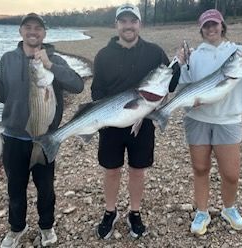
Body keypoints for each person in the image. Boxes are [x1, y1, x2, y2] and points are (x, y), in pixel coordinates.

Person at [0, 13, 84, 247]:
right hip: (12, 136)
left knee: (45, 187)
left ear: (44, 34)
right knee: (15, 187)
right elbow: (3, 95)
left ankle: (46, 226)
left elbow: (77, 85)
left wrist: (50, 65)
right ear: (21, 31)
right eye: (28, 27)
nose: (33, 32)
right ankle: (16, 228)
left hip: (44, 137)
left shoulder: (55, 59)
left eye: (38, 28)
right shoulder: (7, 59)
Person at [176, 9, 242, 235]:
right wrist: (180, 65)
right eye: (206, 26)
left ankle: (228, 208)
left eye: (215, 24)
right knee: (200, 168)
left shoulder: (240, 53)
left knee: (231, 173)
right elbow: (181, 84)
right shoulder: (194, 55)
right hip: (197, 120)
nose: (211, 29)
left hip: (229, 121)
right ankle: (202, 211)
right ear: (201, 30)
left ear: (222, 26)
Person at [91, 3, 179, 239]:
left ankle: (135, 212)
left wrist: (180, 63)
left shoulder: (154, 52)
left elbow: (169, 81)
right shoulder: (103, 55)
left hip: (144, 120)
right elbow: (96, 91)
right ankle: (110, 212)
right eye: (124, 21)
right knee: (111, 170)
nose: (128, 26)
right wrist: (106, 114)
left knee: (137, 170)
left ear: (140, 24)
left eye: (133, 21)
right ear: (116, 25)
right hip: (111, 123)